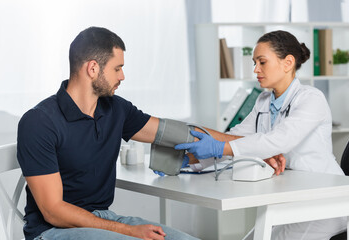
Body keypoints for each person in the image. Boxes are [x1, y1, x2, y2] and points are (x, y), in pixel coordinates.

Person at [17, 26, 199, 240]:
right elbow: (53, 212)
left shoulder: (115, 109)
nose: (123, 76)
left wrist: (237, 145)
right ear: (93, 68)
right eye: (117, 68)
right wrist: (129, 231)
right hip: (53, 231)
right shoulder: (39, 121)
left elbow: (170, 132)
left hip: (105, 220)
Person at [175, 30, 346, 239]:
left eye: (262, 62)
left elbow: (277, 141)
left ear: (288, 62)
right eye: (254, 63)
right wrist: (194, 159)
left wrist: (220, 148)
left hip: (323, 202)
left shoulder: (311, 98)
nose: (256, 69)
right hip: (289, 198)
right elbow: (237, 136)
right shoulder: (264, 100)